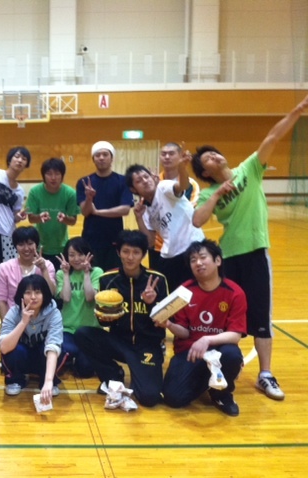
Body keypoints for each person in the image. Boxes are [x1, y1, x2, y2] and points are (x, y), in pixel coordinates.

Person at [191, 93, 308, 401]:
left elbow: (272, 137)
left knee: (260, 316)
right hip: (228, 258)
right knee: (227, 316)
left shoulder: (250, 168)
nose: (214, 157)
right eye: (207, 160)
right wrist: (218, 194)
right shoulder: (210, 193)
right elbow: (198, 220)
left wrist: (297, 110)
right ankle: (221, 368)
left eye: (214, 154)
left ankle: (265, 374)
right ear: (205, 173)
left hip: (255, 253)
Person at [75, 230, 168, 407]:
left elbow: (164, 320)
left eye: (136, 252)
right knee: (83, 334)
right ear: (118, 252)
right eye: (126, 251)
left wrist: (152, 303)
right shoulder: (108, 280)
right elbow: (103, 321)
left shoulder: (157, 280)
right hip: (119, 342)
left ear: (143, 254)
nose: (130, 257)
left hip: (147, 345)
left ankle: (140, 372)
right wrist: (107, 316)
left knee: (149, 398)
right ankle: (113, 375)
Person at [161, 240, 247, 417]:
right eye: (193, 260)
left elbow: (235, 335)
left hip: (219, 350)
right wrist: (169, 325)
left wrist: (207, 339)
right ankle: (209, 380)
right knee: (173, 398)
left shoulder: (235, 292)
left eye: (203, 257)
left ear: (218, 261)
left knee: (232, 355)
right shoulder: (184, 291)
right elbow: (184, 332)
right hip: (190, 352)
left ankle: (221, 393)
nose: (198, 263)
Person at [126, 159, 204, 290]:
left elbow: (182, 186)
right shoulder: (144, 209)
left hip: (192, 247)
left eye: (146, 177)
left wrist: (181, 168)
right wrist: (139, 218)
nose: (145, 181)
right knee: (171, 295)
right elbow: (150, 242)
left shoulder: (163, 187)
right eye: (139, 181)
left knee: (196, 291)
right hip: (169, 256)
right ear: (133, 189)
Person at [0, 275, 64, 405]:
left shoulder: (54, 313)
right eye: (28, 292)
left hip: (42, 356)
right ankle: (16, 379)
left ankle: (46, 379)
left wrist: (48, 381)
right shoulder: (14, 312)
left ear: (44, 294)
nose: (33, 297)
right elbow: (4, 347)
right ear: (21, 296)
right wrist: (23, 322)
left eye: (37, 292)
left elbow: (53, 346)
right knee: (13, 350)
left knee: (58, 350)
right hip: (23, 357)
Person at [76, 141, 134, 272]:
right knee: (92, 275)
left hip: (115, 239)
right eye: (97, 155)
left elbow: (125, 210)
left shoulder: (122, 181)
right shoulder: (84, 182)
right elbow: (85, 212)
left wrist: (97, 212)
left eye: (105, 154)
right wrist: (89, 198)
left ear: (112, 158)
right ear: (93, 159)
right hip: (91, 239)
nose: (101, 158)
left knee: (113, 275)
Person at [55, 237, 103, 377]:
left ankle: (77, 360)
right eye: (71, 255)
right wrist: (65, 274)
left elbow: (89, 297)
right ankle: (70, 358)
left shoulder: (97, 272)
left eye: (80, 254)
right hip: (68, 329)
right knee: (65, 352)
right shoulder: (61, 274)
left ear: (88, 254)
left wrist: (86, 273)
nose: (76, 259)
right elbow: (66, 297)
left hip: (90, 330)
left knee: (85, 370)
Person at [149, 142, 201, 270]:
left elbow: (187, 213)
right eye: (163, 154)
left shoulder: (191, 185)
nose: (167, 157)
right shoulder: (152, 183)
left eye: (171, 154)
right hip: (159, 247)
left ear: (180, 156)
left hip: (185, 246)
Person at [27, 157, 80, 272]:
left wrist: (65, 219)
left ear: (62, 175)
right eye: (49, 174)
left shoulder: (70, 193)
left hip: (61, 247)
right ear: (43, 175)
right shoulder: (35, 192)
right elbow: (31, 218)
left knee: (60, 277)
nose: (53, 177)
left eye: (57, 173)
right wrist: (39, 218)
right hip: (39, 247)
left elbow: (73, 221)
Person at [0, 226, 56, 321]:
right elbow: (1, 300)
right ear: (15, 246)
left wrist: (44, 270)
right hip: (15, 320)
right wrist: (7, 325)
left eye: (30, 243)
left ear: (37, 244)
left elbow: (51, 293)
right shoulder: (4, 268)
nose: (26, 248)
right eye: (21, 244)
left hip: (42, 320)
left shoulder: (47, 265)